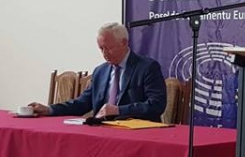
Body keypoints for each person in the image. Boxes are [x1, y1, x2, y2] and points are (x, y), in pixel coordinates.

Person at [29, 22, 167, 121]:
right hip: (103, 132)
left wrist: (118, 110)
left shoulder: (147, 67)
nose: (104, 54)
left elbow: (156, 105)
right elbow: (81, 104)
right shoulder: (100, 71)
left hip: (136, 133)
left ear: (124, 43)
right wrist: (49, 109)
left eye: (109, 48)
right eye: (101, 49)